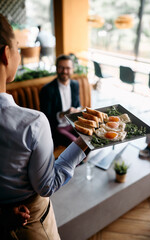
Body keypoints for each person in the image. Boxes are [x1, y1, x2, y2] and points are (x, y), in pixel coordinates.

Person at [0, 13, 88, 240]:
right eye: (18, 48)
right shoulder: (32, 123)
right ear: (6, 54)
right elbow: (46, 186)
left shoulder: (75, 85)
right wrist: (84, 142)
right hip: (32, 225)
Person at [40, 54, 81, 146]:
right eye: (61, 68)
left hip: (73, 124)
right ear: (56, 68)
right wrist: (63, 114)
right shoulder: (47, 89)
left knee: (90, 139)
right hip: (57, 127)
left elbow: (78, 104)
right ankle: (81, 160)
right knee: (77, 145)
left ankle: (82, 160)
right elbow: (46, 117)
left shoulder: (75, 84)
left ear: (72, 69)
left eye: (68, 68)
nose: (64, 71)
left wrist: (78, 110)